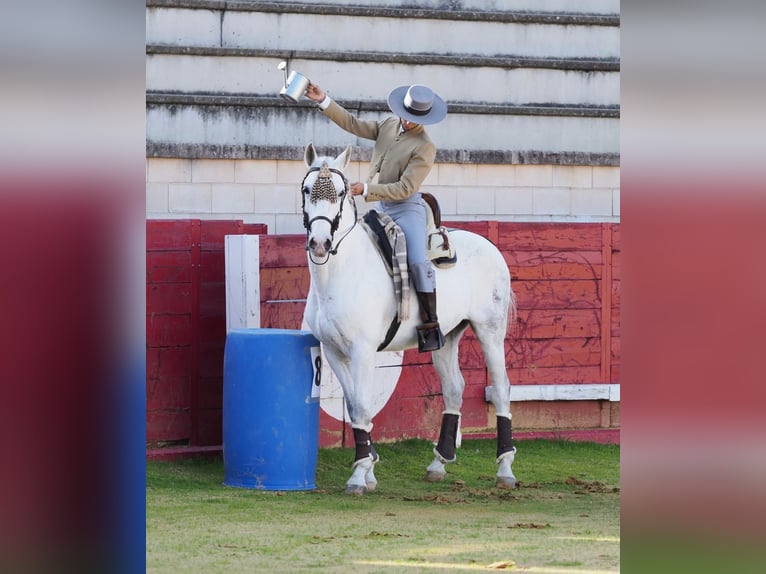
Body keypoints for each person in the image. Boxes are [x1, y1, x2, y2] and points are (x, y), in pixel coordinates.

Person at [306, 81, 447, 352]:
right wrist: (323, 99)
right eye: (405, 114)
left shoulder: (425, 147)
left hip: (406, 209)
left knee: (417, 260)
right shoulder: (387, 125)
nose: (406, 120)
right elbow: (353, 124)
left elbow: (406, 187)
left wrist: (367, 189)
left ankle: (430, 324)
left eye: (413, 118)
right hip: (380, 208)